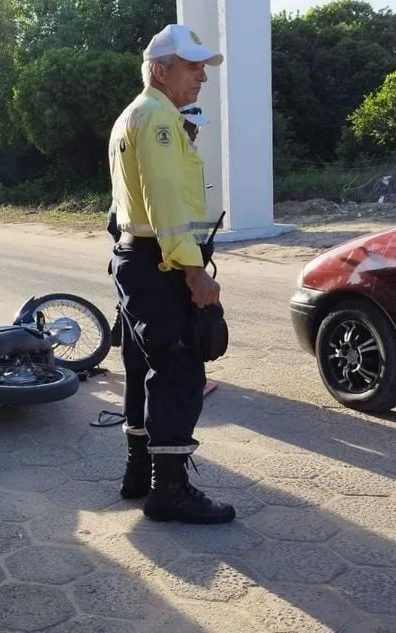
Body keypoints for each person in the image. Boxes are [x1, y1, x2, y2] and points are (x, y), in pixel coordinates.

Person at [107, 24, 234, 524]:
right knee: (179, 372)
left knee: (142, 368)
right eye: (192, 65)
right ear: (161, 70)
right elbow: (164, 203)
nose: (201, 75)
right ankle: (170, 492)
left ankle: (140, 473)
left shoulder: (135, 115)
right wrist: (194, 271)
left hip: (136, 258)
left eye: (203, 65)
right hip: (161, 263)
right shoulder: (158, 119)